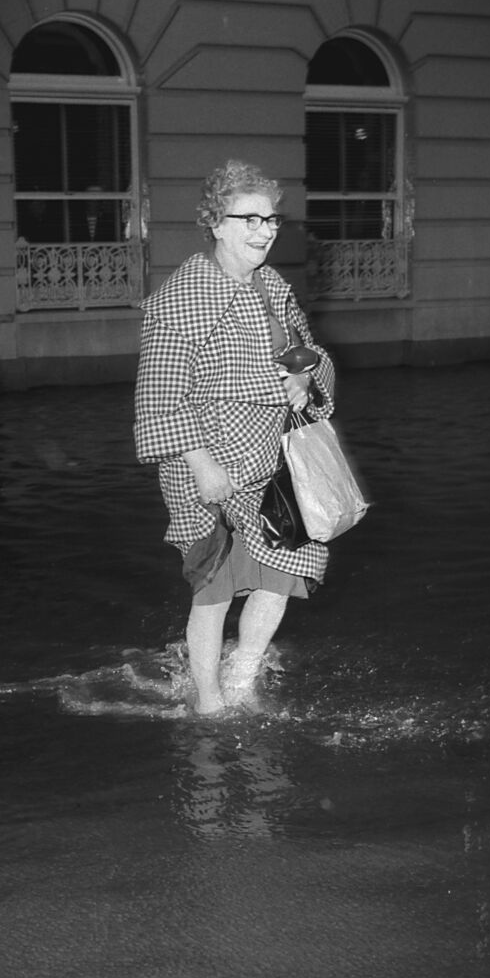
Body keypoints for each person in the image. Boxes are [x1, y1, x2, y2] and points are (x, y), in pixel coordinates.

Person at [134, 160, 337, 716]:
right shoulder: (181, 298)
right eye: (249, 219)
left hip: (272, 462)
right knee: (214, 591)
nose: (264, 230)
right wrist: (201, 463)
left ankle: (243, 670)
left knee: (285, 571)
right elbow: (159, 396)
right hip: (210, 462)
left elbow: (310, 354)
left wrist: (302, 377)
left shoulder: (272, 285)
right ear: (216, 225)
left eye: (270, 219)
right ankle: (208, 700)